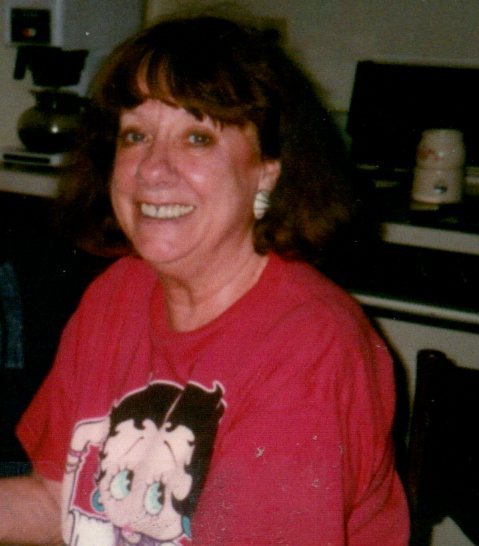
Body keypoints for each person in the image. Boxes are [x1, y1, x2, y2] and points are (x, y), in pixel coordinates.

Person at [0, 12, 409, 546]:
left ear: (267, 170)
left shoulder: (309, 345)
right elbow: (60, 500)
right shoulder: (117, 295)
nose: (152, 168)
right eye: (136, 135)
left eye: (197, 137)